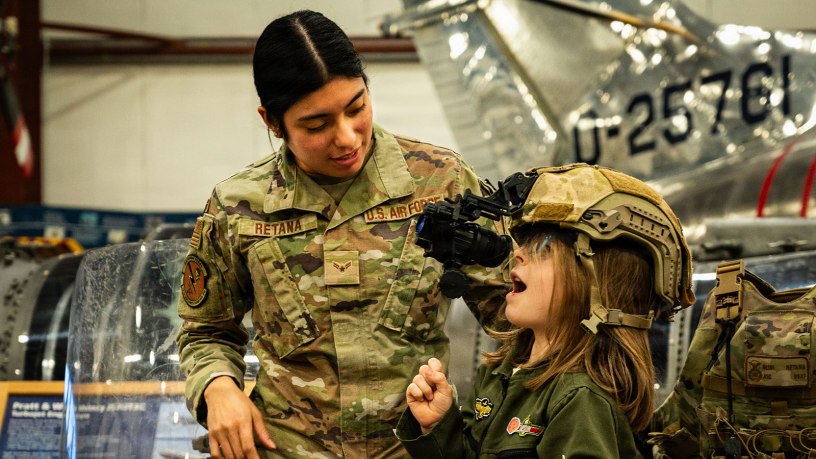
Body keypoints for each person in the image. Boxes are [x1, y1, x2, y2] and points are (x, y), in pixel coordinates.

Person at [175, 9, 509, 459]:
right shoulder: (238, 208)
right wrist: (218, 388)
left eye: (357, 107)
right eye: (317, 125)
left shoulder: (440, 183)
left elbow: (515, 315)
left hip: (415, 447)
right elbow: (205, 330)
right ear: (272, 122)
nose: (348, 137)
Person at [395, 163, 696, 458]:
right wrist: (438, 425)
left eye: (544, 249)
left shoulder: (579, 400)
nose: (517, 254)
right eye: (524, 243)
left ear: (597, 283)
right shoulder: (502, 370)